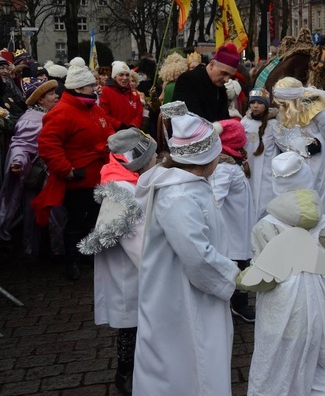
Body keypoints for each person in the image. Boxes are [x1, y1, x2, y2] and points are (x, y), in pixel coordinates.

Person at [132, 104, 240, 396]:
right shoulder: (179, 196)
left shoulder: (187, 184)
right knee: (188, 359)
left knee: (191, 356)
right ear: (206, 157)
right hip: (181, 295)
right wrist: (234, 276)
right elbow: (196, 255)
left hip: (185, 290)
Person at [240, 151, 325, 396]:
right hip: (317, 308)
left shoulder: (265, 226)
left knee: (274, 364)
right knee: (314, 358)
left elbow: (266, 278)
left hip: (281, 311)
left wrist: (241, 280)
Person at [77, 128, 157, 394]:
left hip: (130, 268)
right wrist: (156, 267)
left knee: (134, 322)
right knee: (132, 324)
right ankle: (126, 373)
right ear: (141, 161)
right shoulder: (122, 189)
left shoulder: (125, 177)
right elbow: (135, 240)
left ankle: (132, 370)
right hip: (130, 269)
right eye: (153, 156)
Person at [34, 64, 115, 280]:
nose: (96, 89)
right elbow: (48, 145)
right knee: (77, 220)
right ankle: (72, 260)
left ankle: (86, 253)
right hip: (78, 177)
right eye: (91, 85)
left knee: (94, 218)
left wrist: (112, 142)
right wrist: (66, 170)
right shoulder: (61, 112)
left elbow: (107, 129)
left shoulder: (92, 107)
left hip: (98, 174)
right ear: (79, 89)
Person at [271, 77, 325, 220]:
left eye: (283, 102)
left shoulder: (317, 111)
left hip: (320, 164)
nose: (281, 106)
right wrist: (299, 146)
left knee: (321, 202)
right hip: (296, 164)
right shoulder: (281, 114)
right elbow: (281, 138)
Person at [0, 77, 59, 255]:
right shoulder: (31, 120)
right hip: (42, 177)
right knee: (41, 214)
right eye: (51, 94)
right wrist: (18, 161)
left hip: (54, 175)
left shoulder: (50, 114)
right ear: (40, 100)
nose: (56, 96)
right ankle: (44, 251)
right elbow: (21, 145)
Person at [210, 118, 255, 324]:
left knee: (241, 262)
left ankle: (238, 303)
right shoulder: (223, 169)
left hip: (239, 223)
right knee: (236, 264)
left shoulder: (231, 163)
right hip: (232, 229)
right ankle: (238, 304)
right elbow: (215, 200)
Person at [173, 43, 240, 121]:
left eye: (230, 76)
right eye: (224, 73)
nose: (227, 80)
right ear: (212, 65)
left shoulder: (221, 89)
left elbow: (224, 119)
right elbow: (182, 118)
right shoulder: (188, 80)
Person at [240, 89, 279, 224]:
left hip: (266, 172)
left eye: (259, 103)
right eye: (253, 102)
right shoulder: (244, 122)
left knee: (264, 202)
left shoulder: (273, 125)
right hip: (249, 168)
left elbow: (284, 144)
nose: (255, 106)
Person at [99, 61, 144, 131]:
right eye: (121, 75)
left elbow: (139, 113)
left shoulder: (134, 93)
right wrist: (119, 126)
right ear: (114, 77)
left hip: (131, 133)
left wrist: (133, 126)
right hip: (113, 133)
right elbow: (104, 114)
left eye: (127, 75)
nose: (125, 78)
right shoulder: (105, 91)